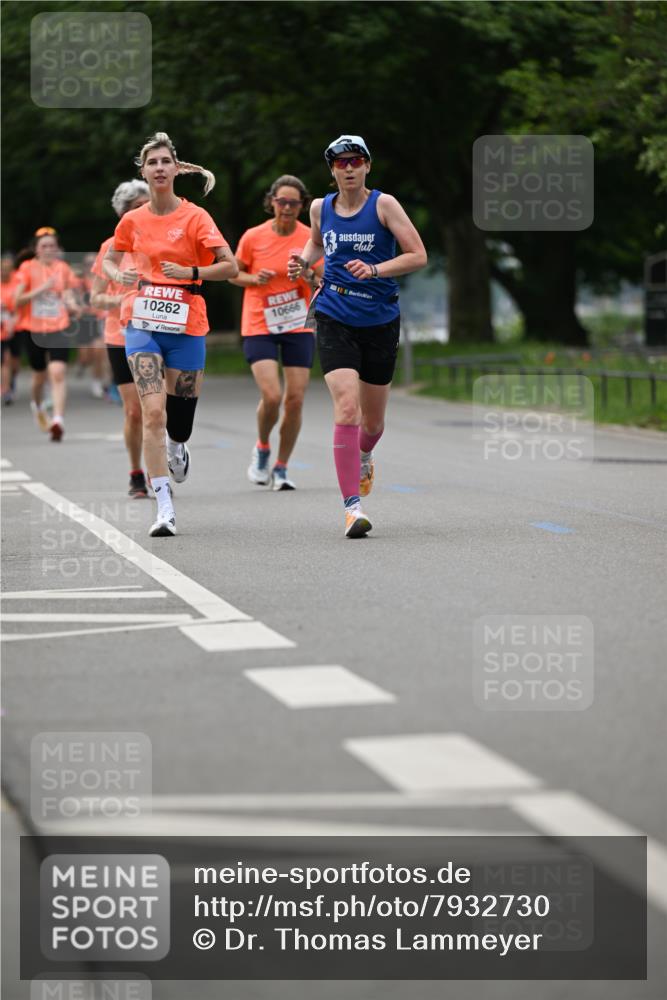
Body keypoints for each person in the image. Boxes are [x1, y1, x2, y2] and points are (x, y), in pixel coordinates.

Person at [288, 135, 427, 537]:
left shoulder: (384, 205)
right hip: (333, 313)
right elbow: (316, 243)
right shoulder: (319, 207)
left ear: (367, 166)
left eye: (355, 162)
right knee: (346, 409)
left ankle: (364, 454)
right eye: (339, 163)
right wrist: (302, 261)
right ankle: (352, 508)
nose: (348, 169)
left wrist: (376, 269)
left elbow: (418, 255)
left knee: (373, 423)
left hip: (380, 319)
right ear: (331, 171)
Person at [104, 132, 238, 536]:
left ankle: (179, 445)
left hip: (187, 323)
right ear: (144, 172)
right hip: (141, 323)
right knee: (153, 413)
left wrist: (192, 273)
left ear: (176, 169)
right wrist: (119, 274)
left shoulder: (195, 217)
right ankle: (163, 508)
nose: (159, 168)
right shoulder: (132, 220)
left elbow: (229, 267)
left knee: (179, 421)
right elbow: (110, 260)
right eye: (152, 163)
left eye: (165, 161)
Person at [230, 175, 323, 490]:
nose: (286, 207)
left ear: (301, 206)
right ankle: (262, 447)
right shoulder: (253, 237)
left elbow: (321, 281)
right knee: (272, 395)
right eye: (281, 201)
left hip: (298, 322)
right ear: (271, 202)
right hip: (260, 323)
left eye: (293, 203)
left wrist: (306, 271)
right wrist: (254, 279)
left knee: (295, 399)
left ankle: (282, 468)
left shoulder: (311, 237)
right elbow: (233, 273)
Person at [91, 179, 150, 498]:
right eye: (136, 209)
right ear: (123, 214)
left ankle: (164, 459)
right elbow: (96, 298)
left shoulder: (161, 242)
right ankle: (136, 473)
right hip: (121, 335)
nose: (142, 213)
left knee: (160, 408)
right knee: (133, 411)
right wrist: (125, 298)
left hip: (157, 331)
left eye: (146, 206)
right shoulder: (110, 248)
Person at [13, 228, 82, 440]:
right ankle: (38, 404)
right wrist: (42, 288)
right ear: (36, 250)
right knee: (39, 376)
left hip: (58, 327)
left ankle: (58, 420)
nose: (49, 249)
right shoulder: (26, 268)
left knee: (58, 372)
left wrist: (73, 306)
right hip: (32, 329)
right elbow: (18, 300)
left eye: (53, 246)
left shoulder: (63, 268)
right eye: (44, 246)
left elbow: (68, 293)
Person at [1, 253, 18, 404]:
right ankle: (5, 390)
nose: (4, 271)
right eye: (2, 268)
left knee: (14, 361)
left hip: (16, 326)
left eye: (7, 268)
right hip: (2, 330)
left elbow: (21, 305)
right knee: (4, 360)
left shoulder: (17, 282)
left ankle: (11, 382)